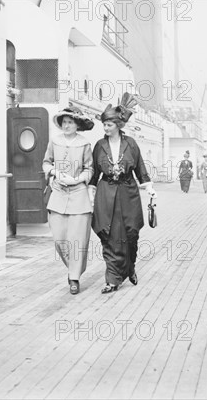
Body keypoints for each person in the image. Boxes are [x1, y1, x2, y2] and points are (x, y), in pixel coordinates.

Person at [89, 93, 157, 294]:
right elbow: (94, 173)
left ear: (118, 125)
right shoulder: (99, 146)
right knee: (108, 235)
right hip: (106, 193)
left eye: (109, 125)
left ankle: (130, 267)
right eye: (104, 125)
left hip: (128, 193)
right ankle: (112, 279)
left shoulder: (132, 144)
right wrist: (91, 194)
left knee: (131, 234)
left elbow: (140, 169)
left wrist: (149, 188)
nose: (106, 128)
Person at [43, 106, 94, 295]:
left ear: (77, 125)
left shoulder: (85, 144)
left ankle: (74, 277)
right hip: (58, 195)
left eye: (70, 122)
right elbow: (46, 162)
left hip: (79, 196)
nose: (66, 125)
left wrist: (77, 179)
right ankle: (72, 268)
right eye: (64, 122)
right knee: (59, 239)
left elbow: (89, 169)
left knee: (77, 240)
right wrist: (55, 172)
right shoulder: (54, 141)